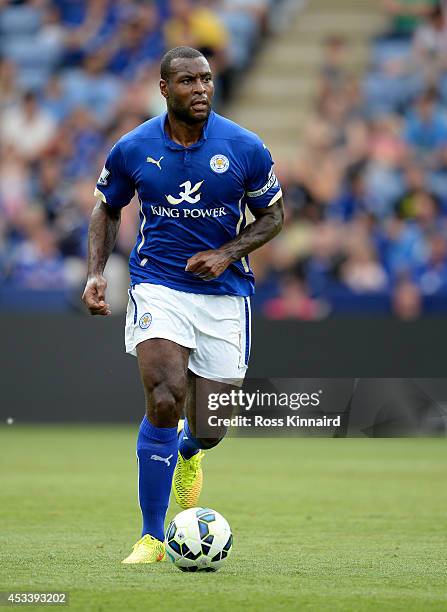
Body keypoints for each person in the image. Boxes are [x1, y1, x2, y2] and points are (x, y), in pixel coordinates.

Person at [81, 46, 283, 564]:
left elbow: (274, 216)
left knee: (210, 427)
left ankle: (190, 452)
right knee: (164, 396)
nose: (201, 90)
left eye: (208, 80)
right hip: (158, 285)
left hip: (222, 293)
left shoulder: (244, 147)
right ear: (164, 88)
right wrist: (97, 274)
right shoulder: (133, 147)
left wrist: (226, 252)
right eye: (189, 81)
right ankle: (151, 536)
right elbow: (106, 210)